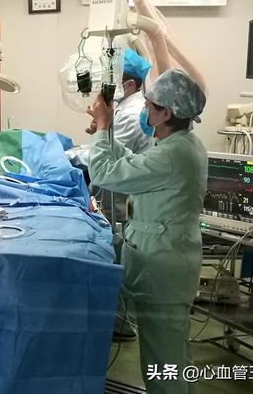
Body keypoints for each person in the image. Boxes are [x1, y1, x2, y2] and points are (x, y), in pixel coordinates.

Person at [87, 69, 207, 394]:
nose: (144, 110)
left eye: (150, 106)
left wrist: (102, 129)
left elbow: (104, 173)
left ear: (166, 113)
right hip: (170, 260)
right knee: (173, 357)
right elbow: (134, 163)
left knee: (163, 364)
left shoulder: (172, 155)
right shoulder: (182, 144)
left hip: (164, 268)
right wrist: (105, 136)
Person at [88, 48, 154, 340]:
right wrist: (102, 130)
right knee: (117, 252)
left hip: (124, 198)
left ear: (128, 84)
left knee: (119, 254)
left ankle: (122, 324)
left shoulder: (133, 112)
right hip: (122, 193)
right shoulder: (127, 108)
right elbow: (116, 149)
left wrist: (103, 129)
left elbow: (104, 166)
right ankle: (119, 319)